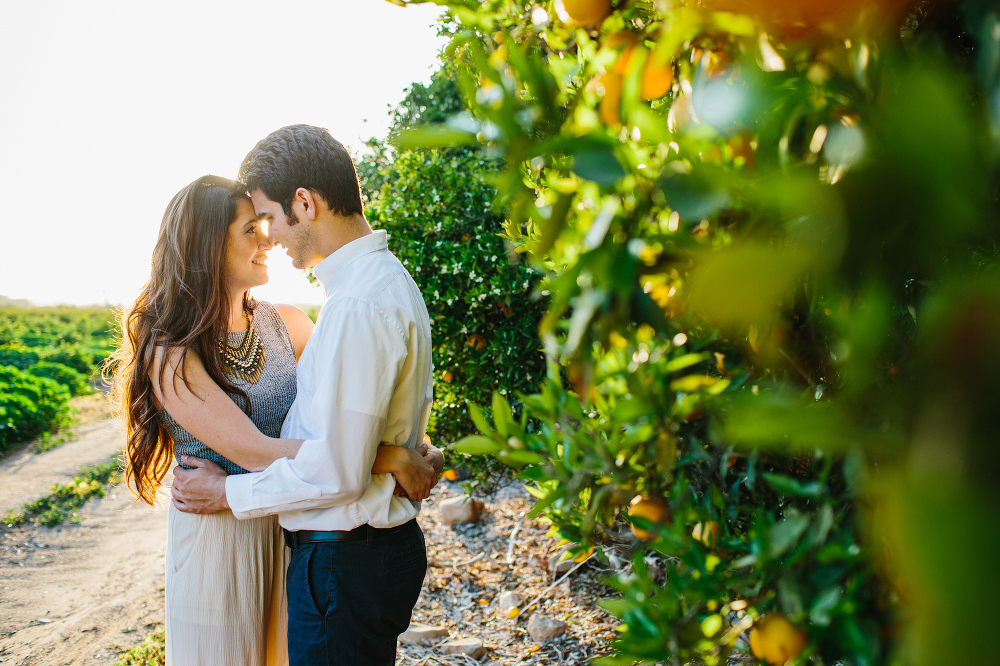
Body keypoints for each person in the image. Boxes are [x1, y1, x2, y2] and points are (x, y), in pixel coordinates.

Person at [110, 174, 441, 666]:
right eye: (250, 229)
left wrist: (417, 442)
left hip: (291, 526)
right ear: (207, 245)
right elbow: (254, 452)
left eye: (264, 223)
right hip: (220, 538)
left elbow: (348, 414)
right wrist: (390, 457)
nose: (268, 239)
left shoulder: (288, 322)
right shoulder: (171, 349)